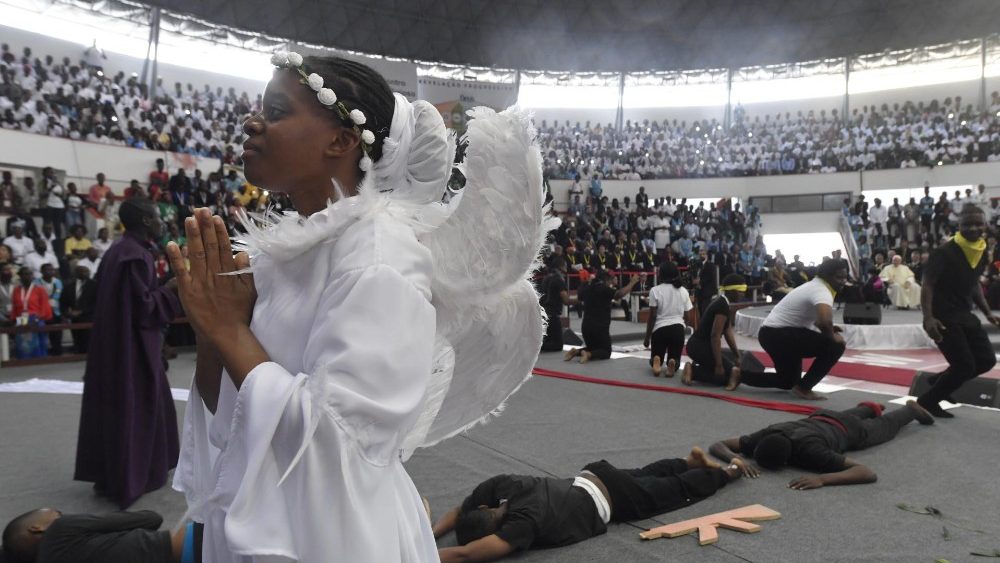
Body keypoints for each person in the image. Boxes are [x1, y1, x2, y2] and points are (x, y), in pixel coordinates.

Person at [168, 52, 551, 562]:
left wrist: (230, 330)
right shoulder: (283, 254)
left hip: (336, 536)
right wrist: (212, 328)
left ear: (341, 140)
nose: (252, 121)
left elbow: (339, 444)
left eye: (277, 110)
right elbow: (231, 408)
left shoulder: (380, 255)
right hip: (267, 510)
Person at [433, 447, 740, 562]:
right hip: (593, 473)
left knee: (675, 491)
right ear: (484, 508)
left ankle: (728, 472)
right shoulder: (504, 486)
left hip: (615, 501)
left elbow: (465, 554)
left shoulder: (519, 527)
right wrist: (430, 532)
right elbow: (460, 511)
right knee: (647, 473)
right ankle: (686, 460)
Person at [73, 197, 183, 508]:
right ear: (147, 221)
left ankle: (111, 473)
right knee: (138, 406)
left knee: (119, 407)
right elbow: (145, 309)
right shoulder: (136, 256)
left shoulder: (119, 251)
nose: (162, 221)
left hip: (115, 343)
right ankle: (137, 474)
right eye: (157, 216)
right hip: (132, 349)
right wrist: (171, 289)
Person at [709, 400, 934, 489]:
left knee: (886, 427)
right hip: (823, 416)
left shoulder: (810, 452)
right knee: (842, 416)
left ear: (789, 460)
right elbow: (717, 444)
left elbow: (866, 472)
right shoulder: (767, 434)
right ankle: (869, 408)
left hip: (849, 431)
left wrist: (822, 479)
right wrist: (735, 458)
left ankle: (910, 410)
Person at [918, 204, 1000, 418]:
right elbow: (928, 285)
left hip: (965, 313)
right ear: (958, 225)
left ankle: (938, 383)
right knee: (963, 365)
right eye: (967, 224)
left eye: (978, 224)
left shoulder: (981, 251)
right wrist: (928, 318)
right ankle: (927, 401)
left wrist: (987, 312)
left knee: (986, 361)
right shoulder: (944, 252)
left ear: (985, 225)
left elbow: (973, 285)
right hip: (942, 315)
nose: (973, 228)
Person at [755, 258, 850, 400]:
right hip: (779, 335)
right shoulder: (822, 290)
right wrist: (831, 335)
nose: (843, 281)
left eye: (845, 277)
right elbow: (824, 322)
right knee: (836, 345)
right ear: (827, 276)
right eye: (839, 277)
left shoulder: (815, 285)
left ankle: (738, 374)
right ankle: (804, 388)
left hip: (770, 334)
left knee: (787, 381)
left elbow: (818, 322)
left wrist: (828, 328)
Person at [1, 508, 193, 563]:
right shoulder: (60, 529)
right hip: (182, 548)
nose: (60, 514)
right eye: (55, 511)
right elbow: (151, 518)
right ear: (36, 528)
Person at [682, 274, 764, 390]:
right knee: (727, 376)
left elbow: (728, 332)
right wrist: (719, 365)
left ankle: (693, 370)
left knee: (730, 374)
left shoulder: (723, 303)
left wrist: (737, 355)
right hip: (699, 347)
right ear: (731, 291)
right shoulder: (722, 306)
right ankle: (693, 371)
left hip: (699, 346)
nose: (743, 294)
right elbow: (715, 336)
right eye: (740, 290)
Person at [565, 270, 641, 363]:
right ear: (606, 280)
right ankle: (588, 354)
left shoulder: (587, 288)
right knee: (606, 351)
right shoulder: (603, 288)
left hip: (586, 326)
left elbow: (576, 299)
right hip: (600, 327)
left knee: (593, 347)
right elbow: (619, 294)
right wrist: (632, 282)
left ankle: (577, 351)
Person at [643, 262, 690, 377]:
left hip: (660, 329)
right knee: (676, 359)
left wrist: (647, 337)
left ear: (661, 274)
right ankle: (672, 363)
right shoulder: (683, 290)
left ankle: (656, 359)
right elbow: (688, 316)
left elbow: (652, 316)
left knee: (655, 355)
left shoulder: (655, 290)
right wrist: (683, 328)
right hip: (677, 329)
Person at [60, 265, 97, 353]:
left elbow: (97, 303)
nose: (86, 273)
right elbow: (63, 302)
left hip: (89, 318)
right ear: (76, 273)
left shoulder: (95, 285)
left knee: (89, 341)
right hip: (74, 318)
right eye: (83, 271)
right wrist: (66, 313)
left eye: (87, 271)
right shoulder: (69, 285)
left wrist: (82, 311)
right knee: (77, 339)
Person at [540, 256, 571, 352]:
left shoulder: (547, 277)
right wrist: (581, 300)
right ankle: (535, 348)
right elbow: (566, 300)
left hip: (544, 312)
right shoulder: (559, 280)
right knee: (558, 345)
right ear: (561, 266)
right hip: (553, 314)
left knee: (549, 340)